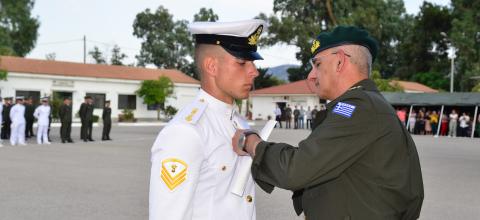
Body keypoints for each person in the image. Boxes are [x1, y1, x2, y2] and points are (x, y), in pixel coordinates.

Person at [232, 26, 424, 219]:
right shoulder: (368, 105)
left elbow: (296, 169)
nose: (311, 75)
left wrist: (251, 142)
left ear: (340, 61)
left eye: (317, 64)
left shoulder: (358, 107)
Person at [149, 19, 265, 220]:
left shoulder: (239, 122)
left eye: (253, 62)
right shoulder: (187, 131)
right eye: (242, 62)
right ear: (211, 66)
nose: (254, 71)